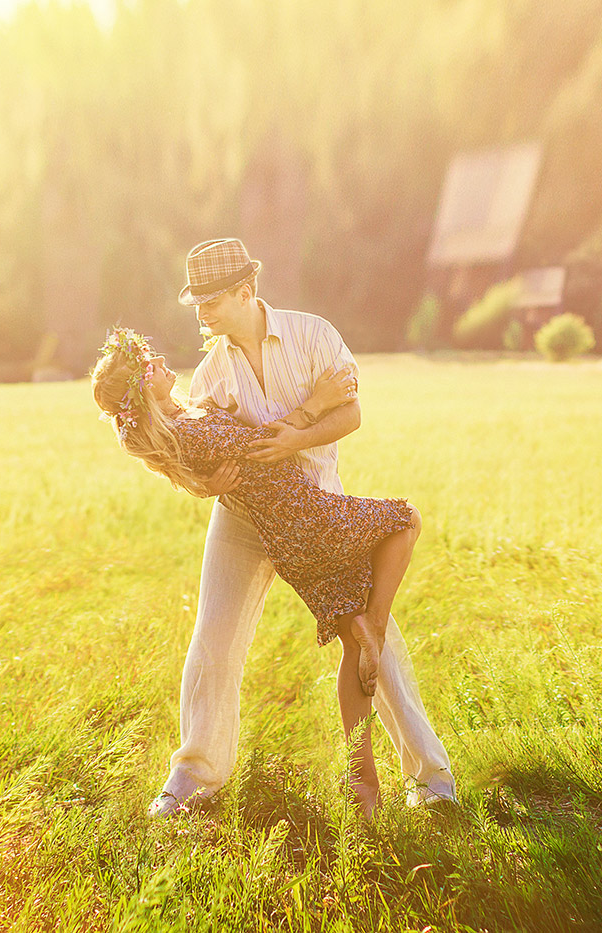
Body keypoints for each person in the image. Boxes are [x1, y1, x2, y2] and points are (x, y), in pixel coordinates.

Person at [135, 238, 457, 818]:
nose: (202, 312)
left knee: (373, 641)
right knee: (213, 641)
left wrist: (298, 435)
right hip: (240, 519)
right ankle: (192, 779)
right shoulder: (209, 374)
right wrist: (204, 486)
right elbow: (191, 450)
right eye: (196, 302)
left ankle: (430, 781)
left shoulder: (314, 336)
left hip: (315, 510)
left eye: (212, 299)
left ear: (246, 291)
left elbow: (351, 412)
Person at [93, 328, 421, 816]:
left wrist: (201, 483)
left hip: (296, 534)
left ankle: (363, 788)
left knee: (354, 649)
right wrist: (320, 401)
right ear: (141, 391)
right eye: (149, 363)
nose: (161, 358)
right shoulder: (191, 432)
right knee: (406, 519)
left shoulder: (187, 424)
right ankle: (375, 622)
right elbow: (267, 442)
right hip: (309, 522)